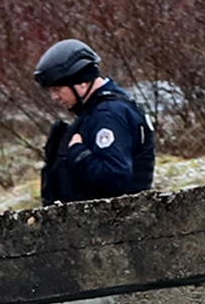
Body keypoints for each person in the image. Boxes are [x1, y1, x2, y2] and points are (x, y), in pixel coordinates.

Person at [33, 38, 153, 205]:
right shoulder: (103, 109)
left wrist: (78, 152)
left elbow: (115, 178)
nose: (55, 97)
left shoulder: (108, 114)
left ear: (82, 83)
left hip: (115, 218)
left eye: (58, 89)